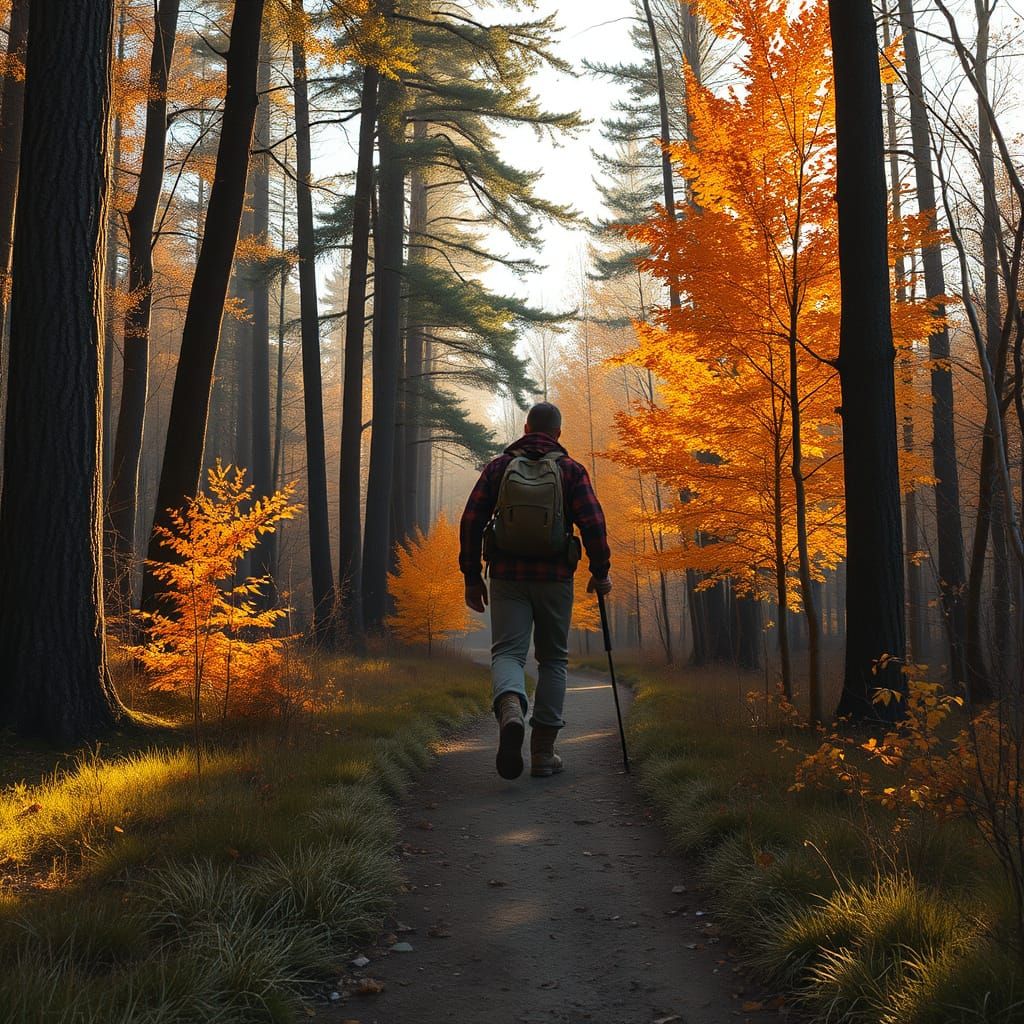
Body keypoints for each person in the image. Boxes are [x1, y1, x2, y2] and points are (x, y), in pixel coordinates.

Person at [459, 401, 612, 780]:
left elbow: (471, 520)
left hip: (508, 575)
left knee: (508, 652)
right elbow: (593, 522)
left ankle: (510, 706)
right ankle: (543, 753)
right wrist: (600, 571)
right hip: (555, 577)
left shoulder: (498, 467)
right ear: (558, 433)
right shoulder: (570, 470)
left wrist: (472, 576)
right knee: (553, 660)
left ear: (526, 428)